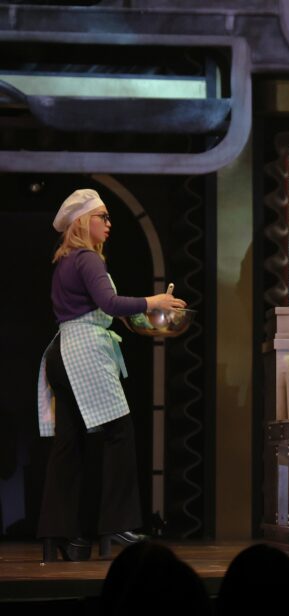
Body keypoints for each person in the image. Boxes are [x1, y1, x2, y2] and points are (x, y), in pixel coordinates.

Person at [37, 188, 185, 562]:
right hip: (85, 353)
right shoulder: (87, 259)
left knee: (68, 444)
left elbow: (96, 309)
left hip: (62, 351)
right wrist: (154, 301)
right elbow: (109, 303)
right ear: (83, 222)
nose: (108, 223)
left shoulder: (65, 261)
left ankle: (61, 535)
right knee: (119, 433)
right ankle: (117, 525)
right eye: (102, 217)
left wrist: (136, 316)